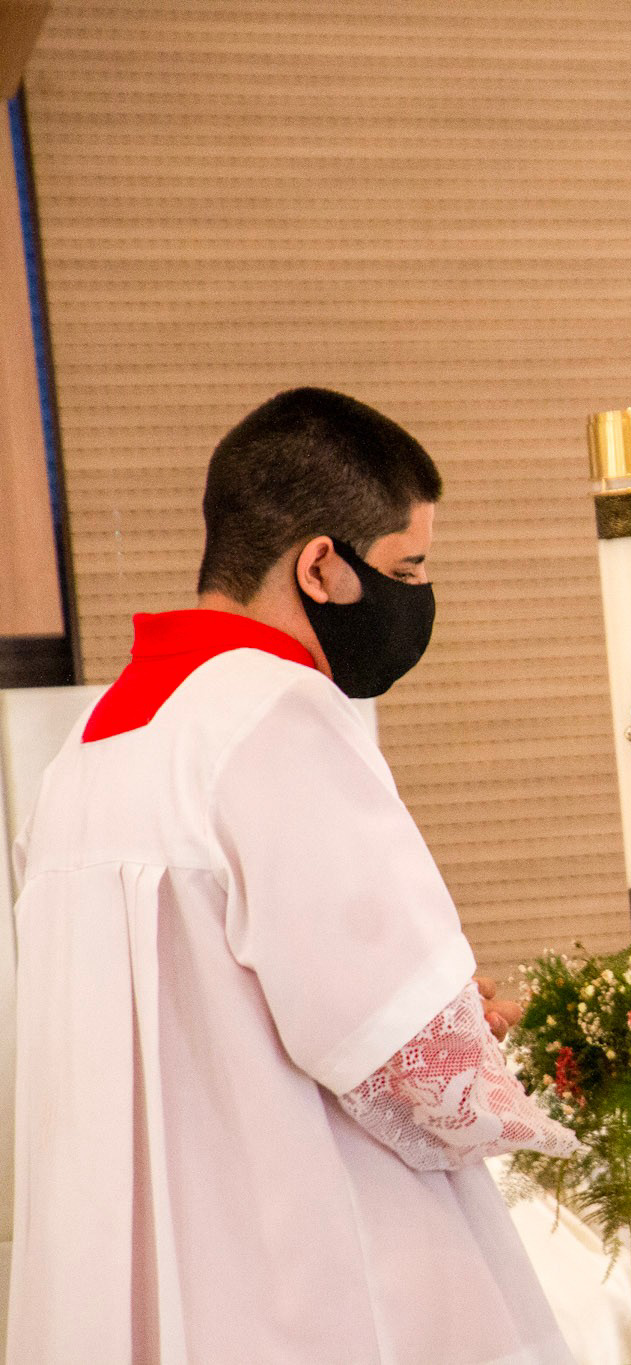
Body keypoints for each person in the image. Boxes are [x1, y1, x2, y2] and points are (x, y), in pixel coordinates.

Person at [8, 388, 580, 1364]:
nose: (416, 596)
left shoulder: (89, 750)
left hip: (121, 1273)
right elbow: (407, 1052)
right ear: (321, 565)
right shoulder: (279, 715)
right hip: (289, 1270)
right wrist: (472, 1028)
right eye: (406, 568)